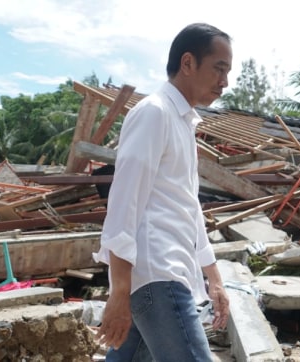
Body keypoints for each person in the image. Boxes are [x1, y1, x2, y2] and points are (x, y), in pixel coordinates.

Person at [94, 23, 232, 361]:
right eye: (219, 68)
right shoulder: (154, 113)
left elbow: (186, 205)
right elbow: (124, 202)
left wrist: (213, 277)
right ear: (188, 63)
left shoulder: (183, 122)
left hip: (163, 275)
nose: (225, 82)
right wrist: (119, 292)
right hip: (158, 275)